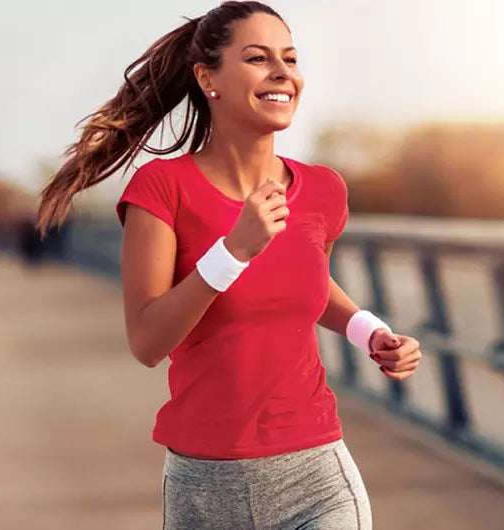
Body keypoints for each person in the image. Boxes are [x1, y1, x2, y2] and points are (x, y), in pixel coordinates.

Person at [36, 2, 422, 528]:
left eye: (290, 58)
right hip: (204, 490)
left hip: (318, 479)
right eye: (258, 58)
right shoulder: (162, 188)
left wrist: (369, 331)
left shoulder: (323, 190)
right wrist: (233, 251)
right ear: (207, 78)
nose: (282, 72)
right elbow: (147, 342)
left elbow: (305, 281)